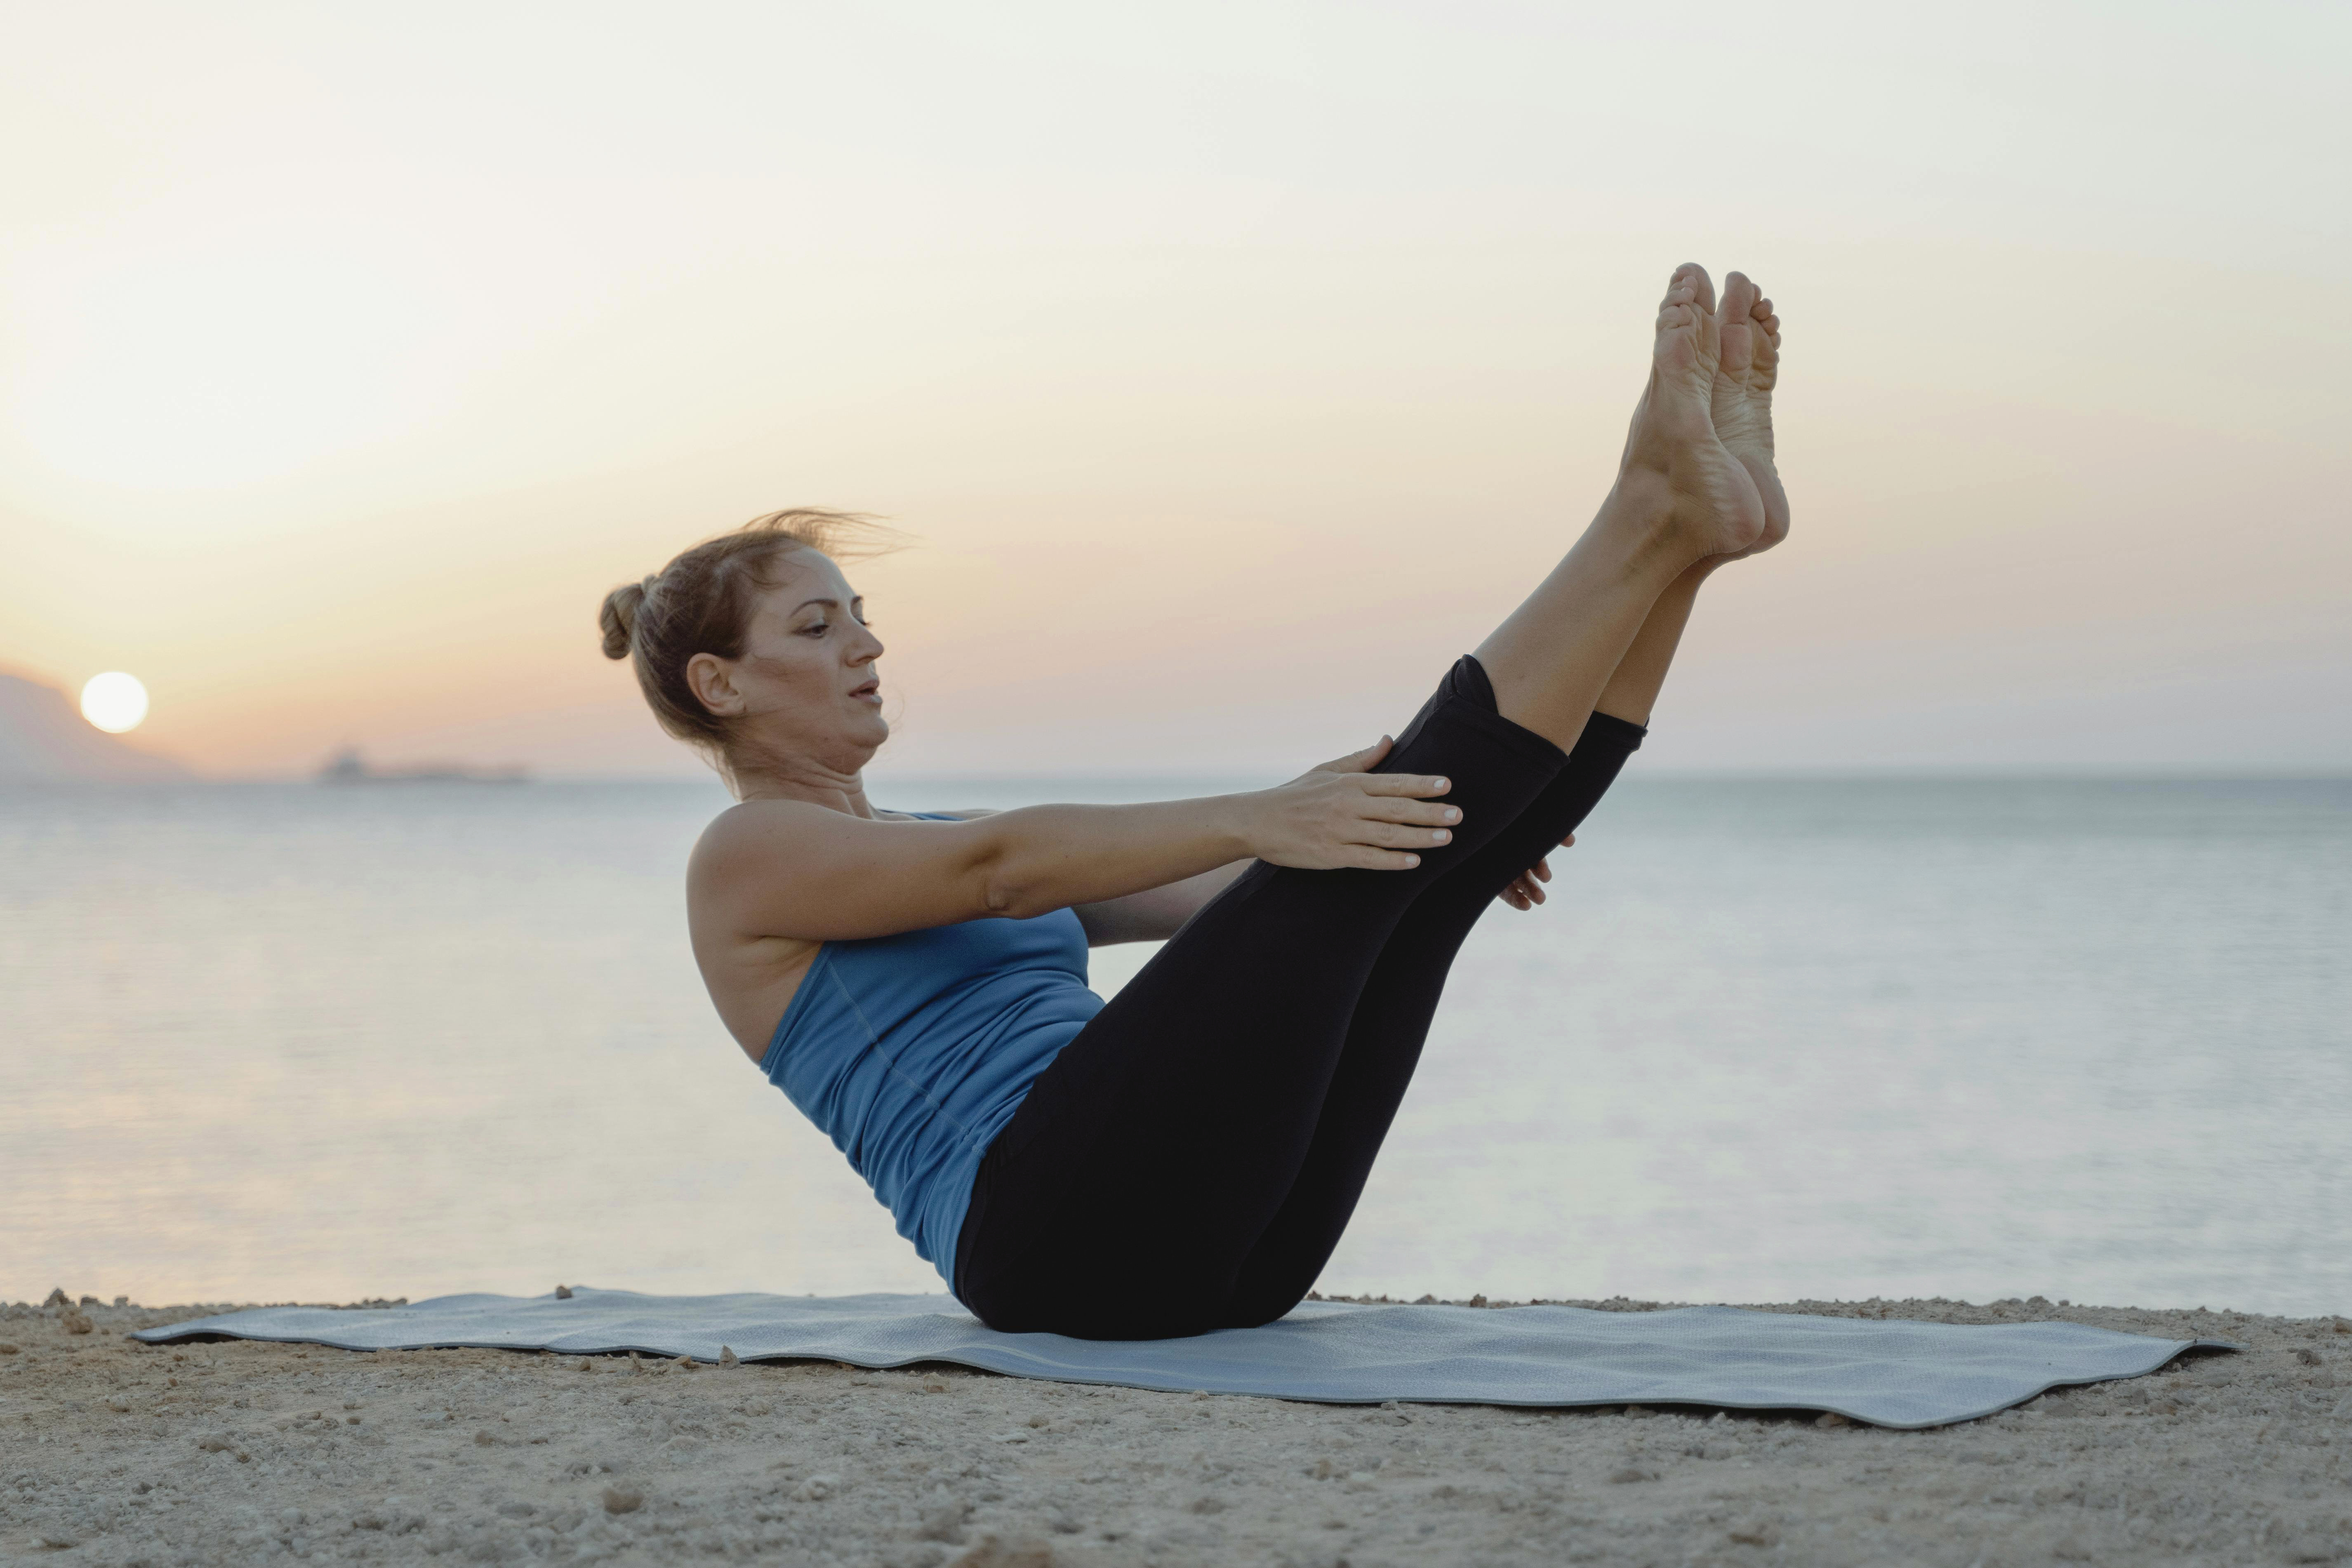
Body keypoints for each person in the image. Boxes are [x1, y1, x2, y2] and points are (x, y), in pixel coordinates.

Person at [598, 265, 1786, 1340]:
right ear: (722, 685)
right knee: (1376, 832)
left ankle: (1687, 550)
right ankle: (1648, 503)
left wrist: (1434, 846)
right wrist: (1266, 813)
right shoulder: (744, 858)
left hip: (1227, 1249)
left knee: (1411, 849)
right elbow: (1002, 868)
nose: (866, 644)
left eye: (860, 613)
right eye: (817, 626)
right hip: (1051, 1238)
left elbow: (1224, 891)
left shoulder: (911, 837)